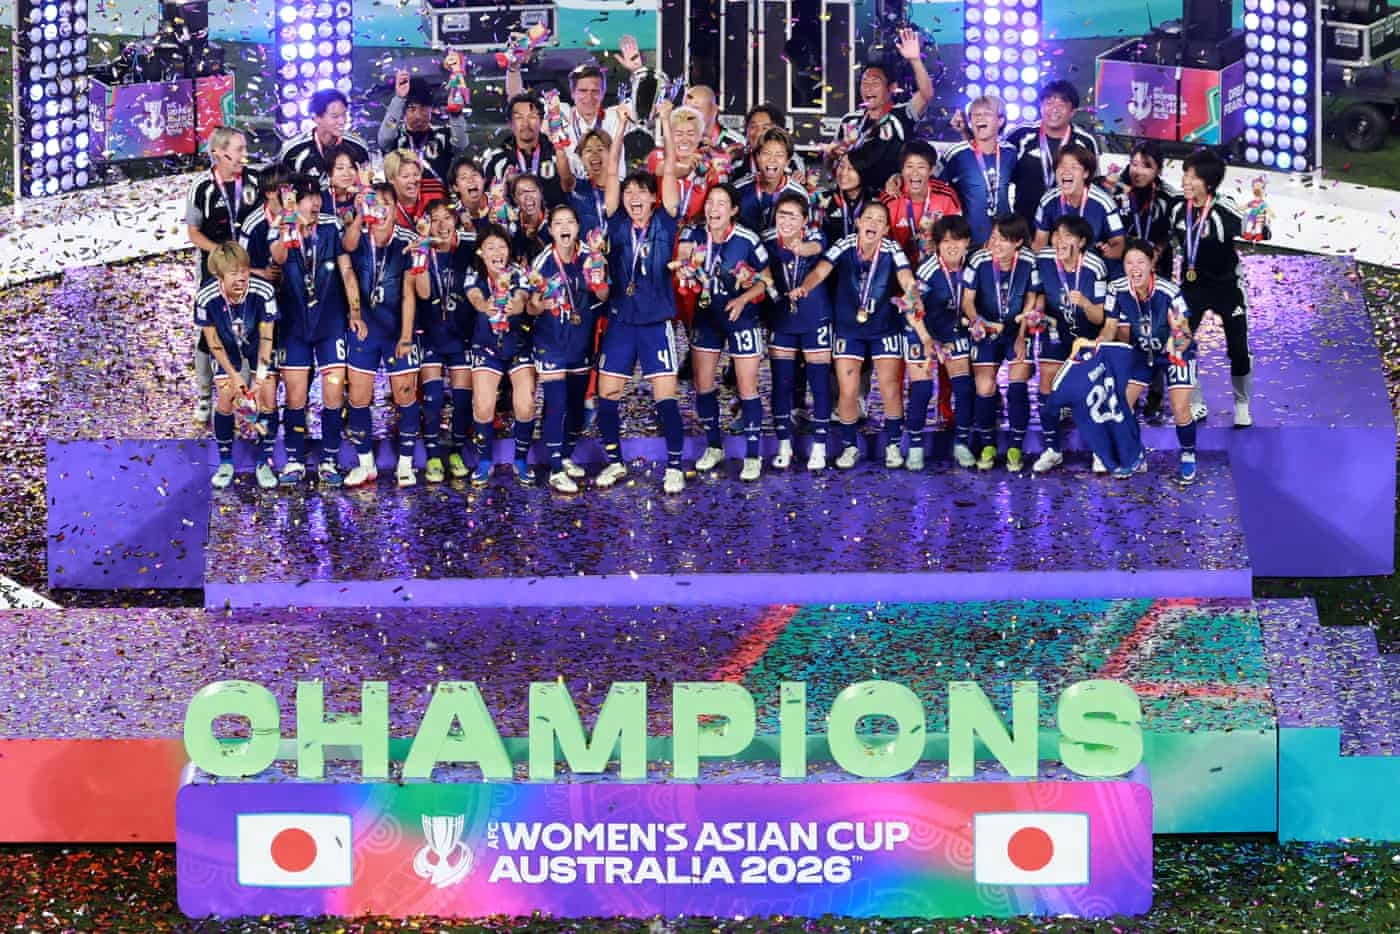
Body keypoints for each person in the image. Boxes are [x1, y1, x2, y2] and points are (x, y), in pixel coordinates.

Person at [594, 103, 688, 494]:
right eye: (630, 191)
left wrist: (665, 122)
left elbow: (667, 168)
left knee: (664, 394)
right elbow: (612, 172)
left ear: (653, 198)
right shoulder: (615, 221)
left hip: (655, 323)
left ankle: (675, 466)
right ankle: (615, 462)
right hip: (620, 321)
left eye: (641, 192)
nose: (634, 196)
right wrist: (618, 131)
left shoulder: (666, 219)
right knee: (608, 394)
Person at [790, 201, 920, 470]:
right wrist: (805, 287)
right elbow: (821, 270)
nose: (872, 223)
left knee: (890, 387)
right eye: (867, 218)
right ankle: (850, 447)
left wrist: (913, 294)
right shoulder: (845, 244)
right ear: (859, 223)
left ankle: (894, 445)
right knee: (847, 392)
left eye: (879, 220)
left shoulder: (892, 248)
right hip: (849, 327)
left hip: (884, 326)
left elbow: (906, 277)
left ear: (885, 229)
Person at [269, 173, 361, 486]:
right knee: (295, 395)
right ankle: (294, 459)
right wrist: (287, 226)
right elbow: (277, 258)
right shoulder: (280, 228)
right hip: (294, 323)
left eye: (317, 196)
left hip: (330, 321)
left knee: (333, 390)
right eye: (307, 197)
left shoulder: (331, 225)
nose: (315, 202)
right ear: (292, 200)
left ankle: (330, 460)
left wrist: (356, 311)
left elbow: (347, 270)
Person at [683, 184, 773, 481]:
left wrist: (744, 297)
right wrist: (685, 273)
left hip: (741, 317)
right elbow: (683, 265)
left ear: (733, 210)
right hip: (707, 317)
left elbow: (767, 281)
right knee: (703, 384)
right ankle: (713, 446)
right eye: (710, 202)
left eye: (721, 203)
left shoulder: (747, 239)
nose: (713, 208)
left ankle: (752, 454)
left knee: (747, 387)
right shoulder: (694, 235)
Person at [342, 184, 421, 489]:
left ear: (396, 205)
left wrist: (405, 336)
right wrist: (361, 217)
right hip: (366, 328)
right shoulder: (358, 237)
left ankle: (405, 464)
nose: (382, 208)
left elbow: (409, 294)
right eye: (377, 202)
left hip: (396, 329)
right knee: (359, 397)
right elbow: (347, 257)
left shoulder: (408, 242)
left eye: (388, 202)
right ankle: (366, 465)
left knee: (405, 396)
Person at [528, 203, 607, 493]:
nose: (564, 227)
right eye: (558, 223)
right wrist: (539, 304)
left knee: (576, 406)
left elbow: (604, 293)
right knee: (556, 403)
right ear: (550, 230)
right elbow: (530, 305)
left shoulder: (591, 257)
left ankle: (563, 452)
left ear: (577, 228)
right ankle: (555, 469)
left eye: (570, 222)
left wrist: (597, 281)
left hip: (580, 340)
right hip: (551, 341)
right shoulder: (542, 262)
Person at [1171, 148, 1252, 427]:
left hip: (1227, 286)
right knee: (1181, 343)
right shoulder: (1178, 209)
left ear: (1208, 182)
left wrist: (1261, 219)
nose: (1185, 181)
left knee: (1239, 349)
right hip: (1192, 286)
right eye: (1184, 175)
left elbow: (1255, 228)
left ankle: (1242, 404)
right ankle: (1196, 401)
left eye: (1191, 177)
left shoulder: (1225, 208)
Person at [187, 127, 261, 424]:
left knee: (249, 328)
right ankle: (205, 396)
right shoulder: (202, 187)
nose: (245, 155)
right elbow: (193, 232)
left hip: (250, 268)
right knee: (210, 333)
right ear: (218, 153)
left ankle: (245, 394)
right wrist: (222, 257)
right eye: (239, 149)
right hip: (214, 270)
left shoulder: (254, 180)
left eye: (245, 148)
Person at [1109, 238, 1198, 483]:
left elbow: (1185, 331)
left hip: (1175, 354)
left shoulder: (1170, 292)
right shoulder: (1116, 289)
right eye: (1129, 262)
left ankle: (1188, 453)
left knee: (1180, 409)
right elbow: (1110, 328)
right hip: (1141, 353)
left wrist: (1177, 340)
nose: (1134, 268)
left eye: (1140, 261)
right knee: (1122, 403)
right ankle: (1134, 455)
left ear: (1151, 265)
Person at [1030, 215, 1113, 474]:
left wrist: (1085, 303)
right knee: (1046, 380)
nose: (1060, 241)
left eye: (1068, 236)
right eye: (1057, 234)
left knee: (1091, 387)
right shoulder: (1042, 258)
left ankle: (1100, 450)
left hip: (1087, 334)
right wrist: (1038, 311)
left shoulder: (1095, 267)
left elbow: (1100, 316)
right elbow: (1040, 293)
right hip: (1055, 329)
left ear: (1082, 242)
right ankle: (1053, 449)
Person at [195, 241, 279, 489]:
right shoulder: (205, 296)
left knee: (268, 397)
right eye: (234, 274)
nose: (242, 278)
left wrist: (260, 377)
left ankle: (264, 461)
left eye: (244, 271)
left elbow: (267, 337)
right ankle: (225, 461)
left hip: (256, 347)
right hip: (227, 349)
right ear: (219, 276)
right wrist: (234, 376)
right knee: (227, 396)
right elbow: (212, 340)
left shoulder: (263, 291)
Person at [961, 212, 1039, 471]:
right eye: (993, 237)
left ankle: (1015, 447)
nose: (994, 244)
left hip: (1017, 329)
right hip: (986, 328)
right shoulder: (979, 259)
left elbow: (1032, 299)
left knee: (1017, 387)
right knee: (984, 387)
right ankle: (987, 445)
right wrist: (978, 323)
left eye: (1002, 240)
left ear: (1017, 242)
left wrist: (1021, 335)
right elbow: (967, 301)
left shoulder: (1029, 260)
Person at [462, 224, 536, 485]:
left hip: (517, 346)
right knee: (483, 405)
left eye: (502, 246)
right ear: (481, 252)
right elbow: (473, 296)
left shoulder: (518, 273)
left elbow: (522, 297)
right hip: (486, 347)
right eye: (490, 247)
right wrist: (486, 305)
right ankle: (484, 461)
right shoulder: (474, 274)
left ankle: (521, 460)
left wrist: (514, 305)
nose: (497, 252)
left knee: (525, 403)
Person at [415, 198, 479, 481]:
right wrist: (422, 251)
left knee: (463, 400)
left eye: (446, 218)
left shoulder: (466, 251)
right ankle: (432, 457)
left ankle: (454, 450)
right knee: (433, 399)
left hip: (460, 336)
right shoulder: (421, 253)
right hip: (430, 335)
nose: (441, 225)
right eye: (435, 219)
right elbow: (424, 293)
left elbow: (478, 232)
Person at [829, 28, 935, 190]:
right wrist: (831, 152)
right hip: (856, 197)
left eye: (875, 83)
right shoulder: (850, 120)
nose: (868, 88)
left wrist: (915, 60)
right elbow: (831, 162)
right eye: (865, 83)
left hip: (891, 196)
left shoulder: (902, 115)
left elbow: (926, 94)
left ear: (892, 88)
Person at [910, 215, 975, 470]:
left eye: (957, 240)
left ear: (967, 242)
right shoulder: (927, 270)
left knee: (964, 389)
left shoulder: (973, 265)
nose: (951, 246)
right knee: (923, 390)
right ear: (937, 244)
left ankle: (961, 444)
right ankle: (915, 448)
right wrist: (926, 338)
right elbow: (911, 306)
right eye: (946, 241)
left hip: (953, 331)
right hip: (920, 330)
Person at [1005, 80, 1099, 228]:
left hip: (1067, 227)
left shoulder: (1085, 141)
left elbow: (1092, 187)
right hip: (1024, 223)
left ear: (1072, 112)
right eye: (1048, 103)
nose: (1054, 109)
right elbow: (997, 169)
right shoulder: (1020, 134)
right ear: (1041, 106)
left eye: (1061, 105)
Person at [938, 94, 1016, 248]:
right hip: (970, 241)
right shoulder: (955, 153)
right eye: (976, 114)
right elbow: (933, 185)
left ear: (1000, 121)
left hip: (1004, 239)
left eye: (987, 113)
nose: (980, 118)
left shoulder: (1010, 152)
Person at [377, 73, 468, 204]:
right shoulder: (396, 139)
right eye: (412, 109)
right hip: (402, 209)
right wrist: (399, 99)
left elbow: (461, 143)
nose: (419, 115)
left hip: (438, 212)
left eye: (424, 108)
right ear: (403, 111)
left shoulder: (441, 136)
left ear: (432, 110)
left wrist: (455, 113)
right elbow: (384, 138)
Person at [1032, 144, 1124, 271]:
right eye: (1061, 166)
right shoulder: (1048, 200)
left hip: (1091, 269)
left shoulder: (1104, 203)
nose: (1066, 171)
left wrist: (1108, 251)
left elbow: (1119, 245)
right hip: (1058, 268)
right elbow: (1039, 244)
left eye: (1074, 167)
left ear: (1085, 173)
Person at [881, 141, 962, 265]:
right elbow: (882, 243)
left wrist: (940, 244)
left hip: (936, 267)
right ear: (901, 169)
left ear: (931, 170)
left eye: (921, 167)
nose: (915, 172)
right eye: (909, 166)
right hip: (898, 267)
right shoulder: (890, 198)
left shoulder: (946, 195)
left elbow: (958, 234)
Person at [482, 93, 568, 207]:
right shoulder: (495, 159)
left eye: (532, 117)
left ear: (541, 121)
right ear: (510, 123)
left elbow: (569, 190)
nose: (526, 124)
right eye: (519, 117)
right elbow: (487, 200)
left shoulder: (558, 155)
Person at [278, 88, 371, 191]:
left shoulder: (359, 148)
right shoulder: (294, 150)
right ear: (316, 118)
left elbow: (368, 190)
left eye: (344, 114)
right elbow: (285, 192)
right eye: (335, 116)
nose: (342, 121)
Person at [733, 128, 807, 233]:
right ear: (757, 157)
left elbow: (806, 233)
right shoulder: (738, 189)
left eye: (779, 155)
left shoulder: (799, 194)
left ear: (787, 161)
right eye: (766, 153)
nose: (772, 159)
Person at [731, 103, 805, 183]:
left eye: (765, 128)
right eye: (753, 127)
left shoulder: (792, 161)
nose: (758, 133)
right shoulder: (736, 161)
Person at [565, 129, 612, 236]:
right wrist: (559, 149)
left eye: (600, 149)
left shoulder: (624, 190)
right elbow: (565, 177)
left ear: (611, 154)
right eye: (588, 150)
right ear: (581, 157)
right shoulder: (576, 188)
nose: (595, 154)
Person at [682, 84, 747, 152]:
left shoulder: (736, 142)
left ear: (714, 110)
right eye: (685, 110)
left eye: (696, 109)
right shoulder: (674, 142)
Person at [383, 148, 432, 228]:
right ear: (391, 178)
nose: (413, 180)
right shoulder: (383, 202)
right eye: (405, 176)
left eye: (416, 175)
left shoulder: (435, 193)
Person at [509, 173, 552, 262]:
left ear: (541, 193)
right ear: (515, 199)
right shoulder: (508, 221)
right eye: (521, 193)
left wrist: (535, 240)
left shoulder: (555, 222)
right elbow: (481, 251)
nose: (528, 196)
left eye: (532, 190)